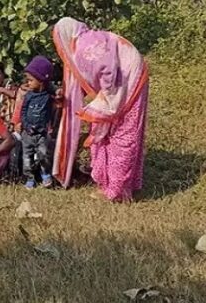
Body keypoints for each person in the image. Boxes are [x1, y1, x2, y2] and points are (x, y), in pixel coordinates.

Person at [52, 17, 149, 202]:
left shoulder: (83, 46)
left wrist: (107, 94)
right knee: (103, 133)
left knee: (122, 136)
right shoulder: (86, 40)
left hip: (128, 85)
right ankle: (112, 183)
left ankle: (116, 191)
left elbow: (107, 68)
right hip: (125, 83)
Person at [19, 56, 57, 189]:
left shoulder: (48, 96)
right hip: (28, 133)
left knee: (43, 154)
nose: (28, 83)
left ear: (41, 81)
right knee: (27, 158)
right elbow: (23, 112)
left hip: (41, 133)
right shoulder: (28, 96)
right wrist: (26, 126)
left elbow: (57, 93)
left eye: (30, 80)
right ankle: (30, 178)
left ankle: (45, 174)